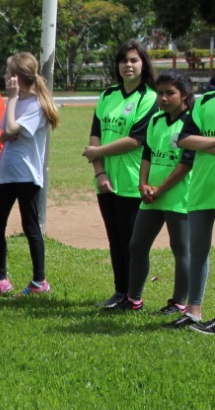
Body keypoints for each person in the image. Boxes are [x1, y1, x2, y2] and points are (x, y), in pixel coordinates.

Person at [83, 40, 159, 309]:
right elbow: (95, 132)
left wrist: (97, 151)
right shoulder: (107, 95)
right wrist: (100, 171)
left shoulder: (149, 97)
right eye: (124, 60)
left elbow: (136, 139)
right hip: (106, 180)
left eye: (134, 60)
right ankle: (120, 292)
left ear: (143, 64)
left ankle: (133, 296)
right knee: (115, 239)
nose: (129, 65)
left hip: (132, 181)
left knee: (132, 243)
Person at [0, 51, 61, 297]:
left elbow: (8, 129)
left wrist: (13, 100)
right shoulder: (18, 102)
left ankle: (40, 281)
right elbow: (4, 133)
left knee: (31, 227)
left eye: (8, 72)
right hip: (7, 173)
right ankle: (1, 277)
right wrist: (13, 108)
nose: (5, 76)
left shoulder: (36, 105)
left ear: (16, 77)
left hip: (28, 176)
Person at [119, 72, 194, 313]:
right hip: (151, 195)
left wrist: (160, 189)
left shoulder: (192, 123)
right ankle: (133, 299)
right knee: (137, 245)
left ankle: (179, 302)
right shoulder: (156, 120)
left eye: (170, 93)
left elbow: (185, 165)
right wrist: (142, 184)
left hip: (178, 197)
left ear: (185, 95)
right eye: (160, 93)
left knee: (181, 248)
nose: (163, 98)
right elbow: (148, 154)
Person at [177, 73, 215, 332]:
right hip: (202, 189)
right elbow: (184, 138)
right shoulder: (204, 102)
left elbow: (196, 141)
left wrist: (205, 144)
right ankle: (193, 312)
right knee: (198, 251)